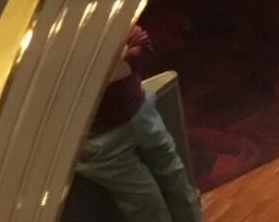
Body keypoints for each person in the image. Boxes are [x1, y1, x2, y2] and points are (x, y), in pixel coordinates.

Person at [73, 24, 203, 222]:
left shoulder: (100, 18)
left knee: (177, 181)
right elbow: (82, 80)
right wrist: (117, 59)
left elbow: (141, 41)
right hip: (99, 139)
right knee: (146, 205)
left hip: (141, 112)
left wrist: (117, 61)